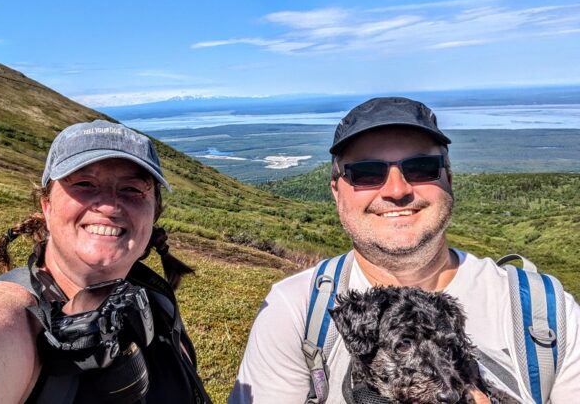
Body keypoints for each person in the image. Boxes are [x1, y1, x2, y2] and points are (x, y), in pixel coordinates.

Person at [229, 97, 580, 403]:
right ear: (336, 191)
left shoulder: (545, 312)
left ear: (449, 179)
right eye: (367, 173)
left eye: (421, 167)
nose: (397, 189)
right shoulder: (295, 312)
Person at [0, 120, 211, 403]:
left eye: (133, 189)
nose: (109, 205)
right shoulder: (14, 316)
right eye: (85, 184)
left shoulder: (151, 298)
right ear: (46, 207)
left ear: (153, 212)